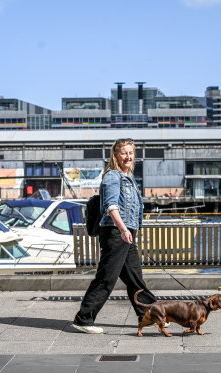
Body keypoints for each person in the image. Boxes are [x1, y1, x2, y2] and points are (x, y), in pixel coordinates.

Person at [72, 138, 160, 334]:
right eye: (123, 153)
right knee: (106, 278)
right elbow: (111, 206)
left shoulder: (128, 177)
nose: (128, 156)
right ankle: (83, 319)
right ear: (116, 155)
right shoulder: (113, 176)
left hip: (125, 233)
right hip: (115, 232)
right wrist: (122, 229)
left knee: (135, 279)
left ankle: (152, 314)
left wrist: (128, 231)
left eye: (130, 153)